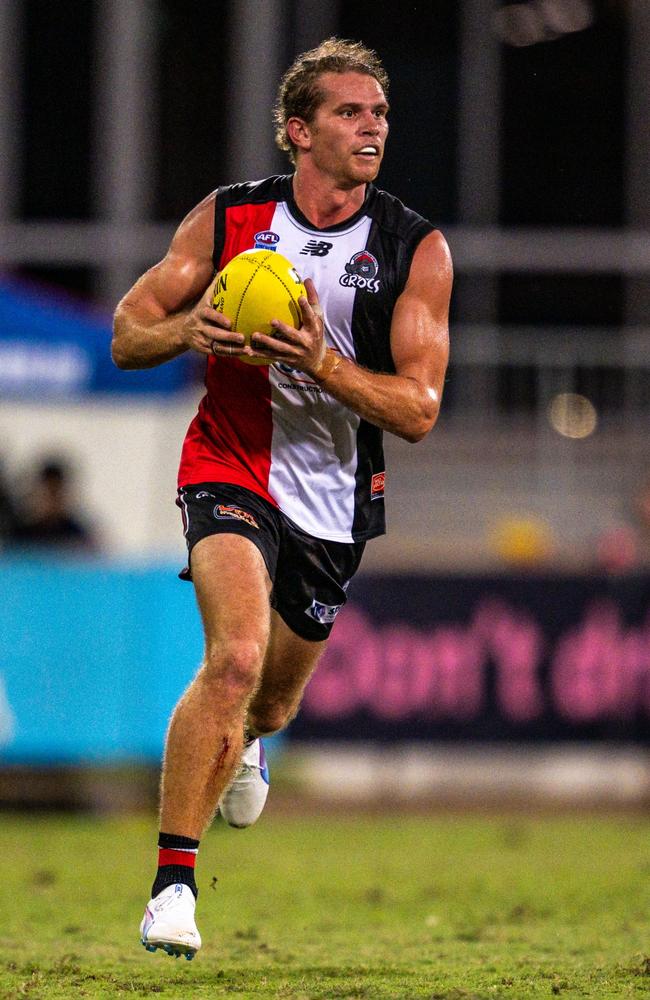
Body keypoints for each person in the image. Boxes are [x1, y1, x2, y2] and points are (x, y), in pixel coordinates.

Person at [112, 37, 452, 960]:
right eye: (350, 112)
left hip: (333, 499)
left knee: (268, 700)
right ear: (299, 132)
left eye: (378, 112)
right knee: (233, 659)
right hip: (227, 461)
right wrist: (193, 328)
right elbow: (127, 335)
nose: (371, 126)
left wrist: (323, 363)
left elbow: (418, 410)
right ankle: (173, 887)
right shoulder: (228, 219)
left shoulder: (414, 248)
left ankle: (251, 738)